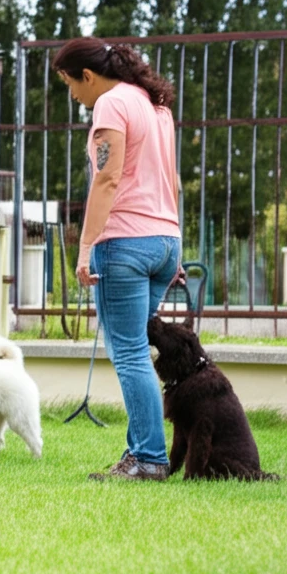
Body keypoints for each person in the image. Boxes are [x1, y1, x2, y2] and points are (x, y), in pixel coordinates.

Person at [52, 37, 183, 481]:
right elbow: (173, 180)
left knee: (128, 352)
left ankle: (148, 457)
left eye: (70, 85)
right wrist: (172, 239)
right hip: (165, 241)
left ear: (87, 76)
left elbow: (107, 179)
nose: (74, 96)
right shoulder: (155, 106)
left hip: (125, 242)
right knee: (136, 351)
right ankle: (140, 451)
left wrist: (86, 247)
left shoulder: (111, 104)